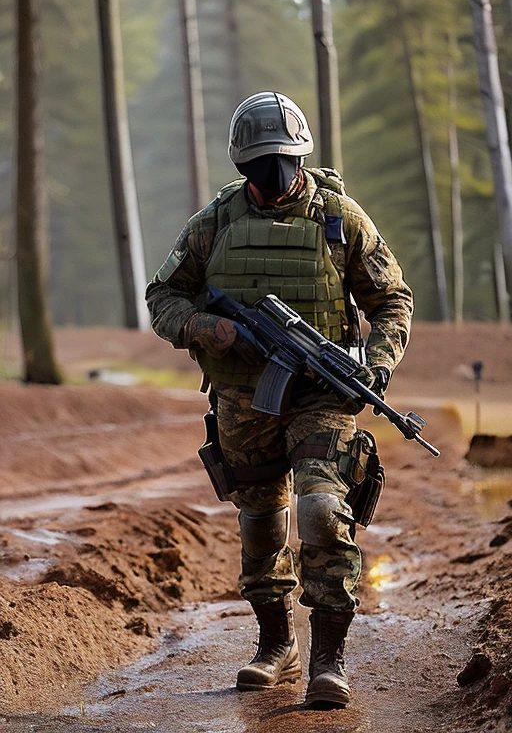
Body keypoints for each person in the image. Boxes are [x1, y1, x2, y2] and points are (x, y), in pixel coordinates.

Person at [146, 91, 413, 708]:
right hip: (245, 400)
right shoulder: (213, 223)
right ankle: (276, 645)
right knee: (261, 521)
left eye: (284, 162)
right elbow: (164, 297)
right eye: (261, 165)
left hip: (322, 391)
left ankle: (329, 657)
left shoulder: (341, 219)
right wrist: (209, 329)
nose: (275, 176)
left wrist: (377, 364)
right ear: (243, 165)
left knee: (320, 509)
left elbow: (391, 298)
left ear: (301, 157)